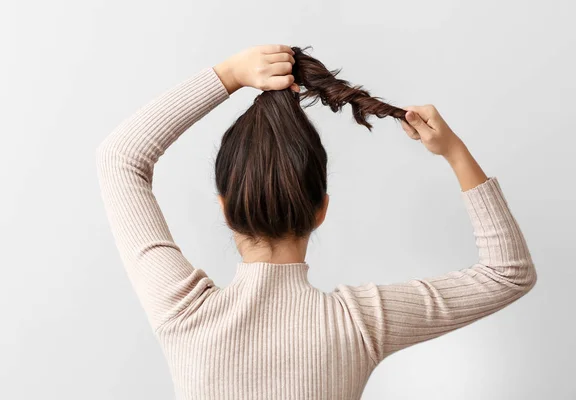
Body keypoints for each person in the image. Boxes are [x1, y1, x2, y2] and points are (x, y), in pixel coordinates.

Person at [96, 44, 537, 399]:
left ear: (226, 207)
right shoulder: (360, 323)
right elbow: (507, 274)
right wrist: (455, 152)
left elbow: (120, 159)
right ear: (321, 208)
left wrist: (228, 75)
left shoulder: (183, 312)